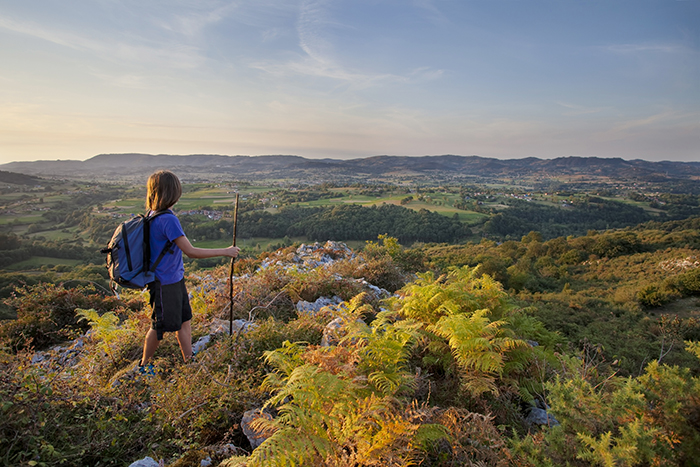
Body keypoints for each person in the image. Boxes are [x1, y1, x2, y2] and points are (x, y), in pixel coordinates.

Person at [139, 170, 239, 370]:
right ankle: (144, 365)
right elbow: (190, 251)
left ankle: (189, 359)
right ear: (172, 192)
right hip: (165, 283)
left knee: (185, 320)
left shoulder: (153, 215)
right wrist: (226, 251)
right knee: (158, 326)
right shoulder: (168, 219)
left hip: (172, 280)